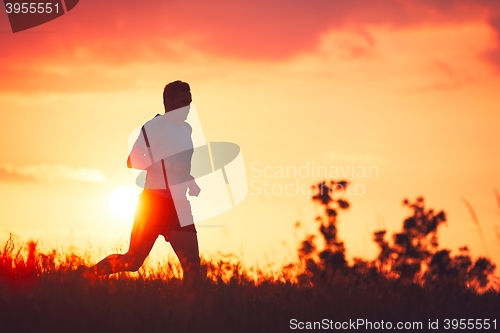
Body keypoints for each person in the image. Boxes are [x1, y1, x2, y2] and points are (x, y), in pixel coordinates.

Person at [82, 81, 201, 282]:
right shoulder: (155, 126)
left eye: (190, 102)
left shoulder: (187, 129)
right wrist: (170, 168)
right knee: (133, 261)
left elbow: (176, 164)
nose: (188, 108)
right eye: (183, 102)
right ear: (169, 102)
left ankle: (190, 311)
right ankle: (81, 277)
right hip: (155, 203)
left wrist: (188, 179)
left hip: (179, 205)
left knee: (193, 270)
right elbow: (133, 160)